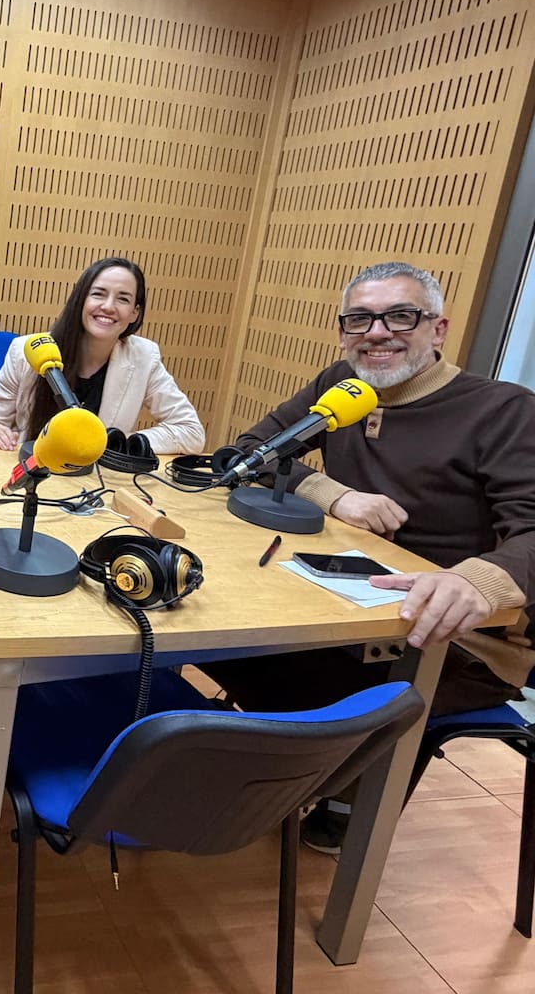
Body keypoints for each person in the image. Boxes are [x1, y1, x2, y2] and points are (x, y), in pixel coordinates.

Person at [205, 260, 535, 853]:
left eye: (400, 316)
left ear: (438, 329)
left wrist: (476, 583)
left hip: (453, 636)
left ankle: (340, 797)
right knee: (212, 633)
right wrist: (335, 495)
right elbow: (250, 451)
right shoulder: (342, 386)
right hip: (341, 598)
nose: (377, 332)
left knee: (306, 680)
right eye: (359, 319)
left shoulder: (505, 409)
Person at [0, 256, 205, 455]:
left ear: (134, 313)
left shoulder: (144, 357)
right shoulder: (26, 350)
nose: (109, 306)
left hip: (96, 483)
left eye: (123, 299)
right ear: (80, 300)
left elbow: (191, 431)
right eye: (98, 294)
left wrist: (118, 443)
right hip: (30, 473)